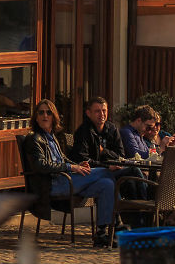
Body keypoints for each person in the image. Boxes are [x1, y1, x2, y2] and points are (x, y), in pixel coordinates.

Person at [24, 98, 118, 247]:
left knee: (106, 184)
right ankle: (118, 223)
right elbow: (40, 165)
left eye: (48, 112)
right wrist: (71, 168)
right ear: (36, 117)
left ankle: (101, 233)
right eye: (41, 113)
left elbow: (63, 158)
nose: (45, 116)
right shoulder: (35, 138)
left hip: (66, 180)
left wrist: (77, 165)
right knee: (107, 173)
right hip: (52, 184)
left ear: (54, 116)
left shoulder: (52, 137)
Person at [69, 96, 128, 166]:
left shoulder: (112, 129)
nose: (102, 114)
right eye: (97, 111)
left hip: (113, 169)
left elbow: (121, 156)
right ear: (88, 113)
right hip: (92, 171)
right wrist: (106, 166)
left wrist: (103, 151)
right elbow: (82, 158)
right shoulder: (82, 131)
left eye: (104, 110)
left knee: (134, 170)